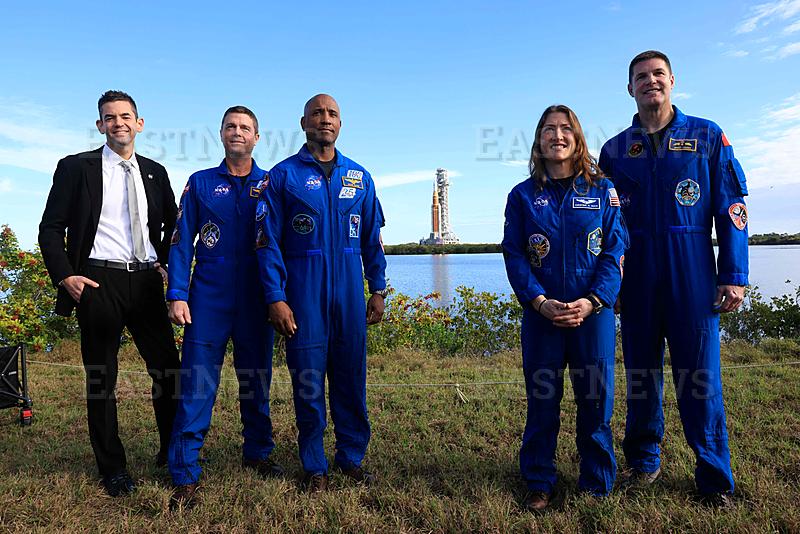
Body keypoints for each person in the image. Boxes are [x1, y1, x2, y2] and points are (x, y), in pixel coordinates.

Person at [599, 50, 749, 508]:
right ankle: (643, 462)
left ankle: (714, 476)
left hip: (693, 269)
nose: (650, 82)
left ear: (672, 81)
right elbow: (604, 226)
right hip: (637, 274)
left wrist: (734, 274)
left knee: (700, 377)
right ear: (630, 88)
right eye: (641, 77)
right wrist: (611, 284)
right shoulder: (615, 149)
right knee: (641, 373)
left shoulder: (707, 136)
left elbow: (732, 210)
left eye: (657, 74)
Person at [38, 90, 180, 497]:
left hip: (147, 282)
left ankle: (172, 453)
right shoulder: (76, 168)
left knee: (168, 373)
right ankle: (112, 467)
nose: (118, 123)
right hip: (98, 282)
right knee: (102, 378)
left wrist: (168, 264)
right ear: (100, 125)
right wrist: (66, 276)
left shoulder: (155, 171)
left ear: (139, 123)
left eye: (125, 116)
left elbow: (172, 226)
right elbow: (50, 229)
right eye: (109, 117)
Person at [256, 94, 387, 492]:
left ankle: (352, 458)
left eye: (332, 114)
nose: (324, 119)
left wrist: (378, 288)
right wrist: (275, 297)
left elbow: (373, 240)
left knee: (351, 380)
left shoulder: (359, 177)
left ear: (340, 125)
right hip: (304, 296)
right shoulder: (282, 177)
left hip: (348, 295)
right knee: (308, 383)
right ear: (303, 123)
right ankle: (314, 465)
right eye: (317, 113)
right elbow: (266, 242)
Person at [502, 105, 627, 512]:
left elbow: (614, 250)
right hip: (542, 317)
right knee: (542, 400)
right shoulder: (522, 196)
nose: (557, 135)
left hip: (592, 315)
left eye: (565, 129)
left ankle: (596, 480)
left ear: (577, 138)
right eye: (549, 129)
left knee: (595, 399)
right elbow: (515, 255)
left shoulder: (602, 190)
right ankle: (539, 479)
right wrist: (539, 301)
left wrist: (592, 301)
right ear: (538, 140)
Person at [166, 106, 281, 508]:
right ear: (221, 133)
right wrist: (177, 293)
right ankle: (184, 471)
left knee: (255, 381)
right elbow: (181, 242)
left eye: (245, 127)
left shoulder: (271, 183)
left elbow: (283, 246)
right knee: (197, 384)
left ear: (256, 137)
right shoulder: (199, 183)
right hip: (208, 299)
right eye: (231, 126)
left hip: (255, 299)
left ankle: (259, 453)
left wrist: (280, 297)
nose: (237, 132)